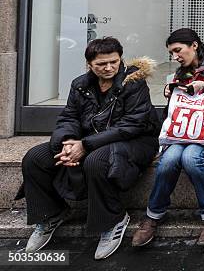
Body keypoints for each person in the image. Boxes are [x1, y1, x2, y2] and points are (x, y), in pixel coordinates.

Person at [18, 37, 160, 260]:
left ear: (120, 59)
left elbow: (132, 126)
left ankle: (113, 221)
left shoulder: (133, 82)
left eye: (113, 62)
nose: (109, 68)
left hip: (135, 142)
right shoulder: (80, 85)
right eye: (101, 64)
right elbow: (69, 117)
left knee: (96, 160)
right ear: (89, 65)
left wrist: (84, 145)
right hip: (88, 140)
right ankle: (51, 214)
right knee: (35, 157)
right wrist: (66, 142)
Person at [132, 28, 204, 247]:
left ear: (194, 45)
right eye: (172, 53)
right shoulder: (181, 72)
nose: (175, 57)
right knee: (169, 160)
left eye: (178, 50)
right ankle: (153, 216)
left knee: (192, 157)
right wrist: (171, 92)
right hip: (186, 132)